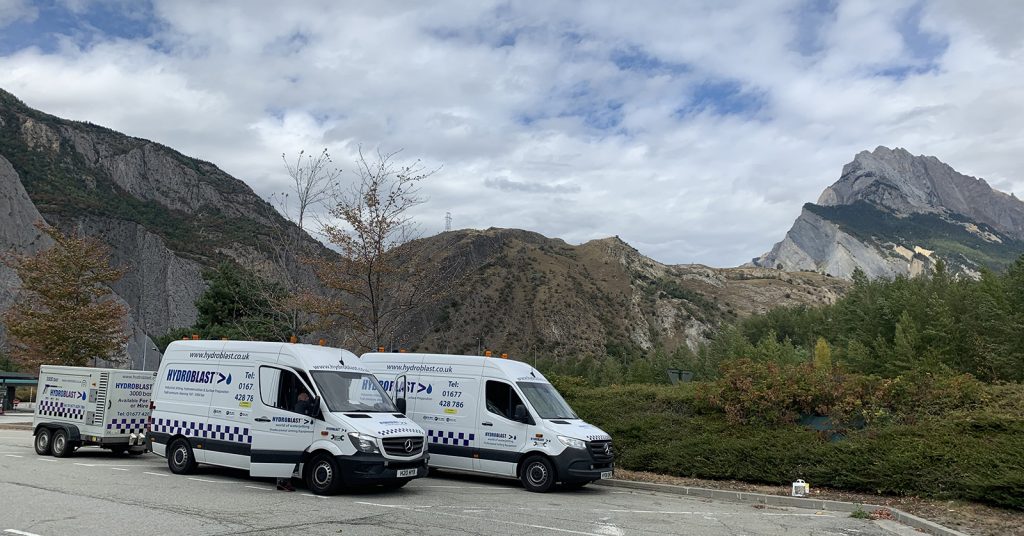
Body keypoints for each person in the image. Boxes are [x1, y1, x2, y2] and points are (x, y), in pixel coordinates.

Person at [277, 390, 316, 491]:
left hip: (294, 435)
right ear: (302, 399)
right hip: (296, 435)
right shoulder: (301, 405)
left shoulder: (298, 406)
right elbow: (310, 406)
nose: (308, 399)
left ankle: (283, 482)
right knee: (292, 460)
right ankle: (283, 482)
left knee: (290, 460)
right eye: (306, 397)